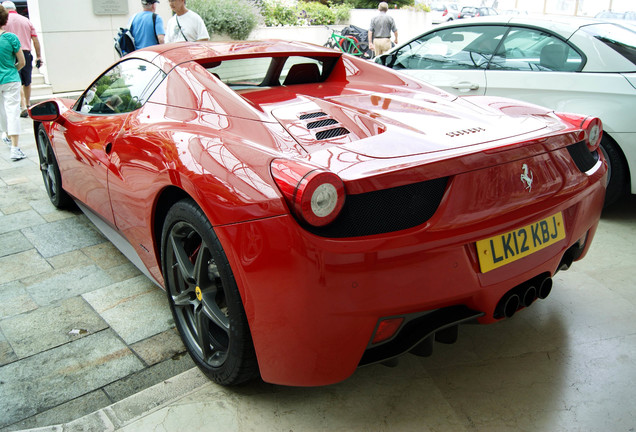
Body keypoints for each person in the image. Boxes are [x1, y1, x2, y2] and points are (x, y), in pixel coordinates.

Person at [1, 1, 41, 118]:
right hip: (26, 53)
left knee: (16, 79)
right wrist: (39, 56)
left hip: (9, 53)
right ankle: (27, 104)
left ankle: (22, 105)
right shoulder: (26, 20)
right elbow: (35, 39)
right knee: (27, 81)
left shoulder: (3, 21)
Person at [0, 4, 26, 160]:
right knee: (12, 112)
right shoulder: (10, 38)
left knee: (2, 113)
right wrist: (11, 69)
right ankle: (15, 148)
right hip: (11, 78)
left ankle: (8, 137)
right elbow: (22, 62)